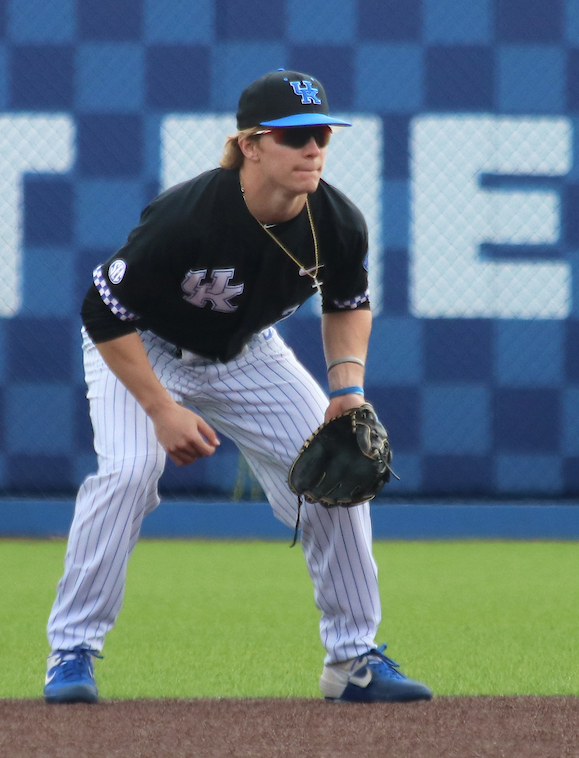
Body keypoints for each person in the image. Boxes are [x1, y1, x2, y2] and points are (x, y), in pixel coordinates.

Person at [44, 70, 432, 704]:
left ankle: (353, 661)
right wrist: (160, 409)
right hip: (141, 347)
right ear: (251, 144)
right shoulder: (187, 217)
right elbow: (102, 311)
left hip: (246, 354)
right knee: (129, 472)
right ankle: (72, 652)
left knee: (340, 473)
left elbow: (347, 302)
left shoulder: (336, 220)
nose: (314, 149)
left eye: (323, 135)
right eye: (296, 136)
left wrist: (347, 389)